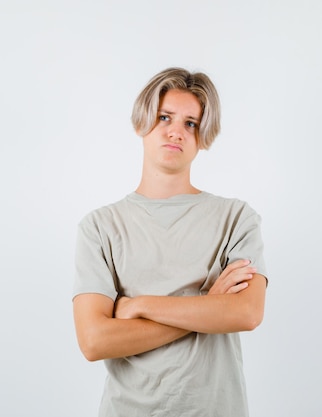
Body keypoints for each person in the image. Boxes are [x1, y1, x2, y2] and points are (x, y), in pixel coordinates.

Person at [72, 67, 268, 417]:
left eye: (191, 123)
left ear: (202, 136)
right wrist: (209, 305)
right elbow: (94, 340)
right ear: (141, 123)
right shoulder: (100, 227)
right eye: (165, 117)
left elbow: (247, 312)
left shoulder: (236, 217)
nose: (177, 131)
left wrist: (139, 306)